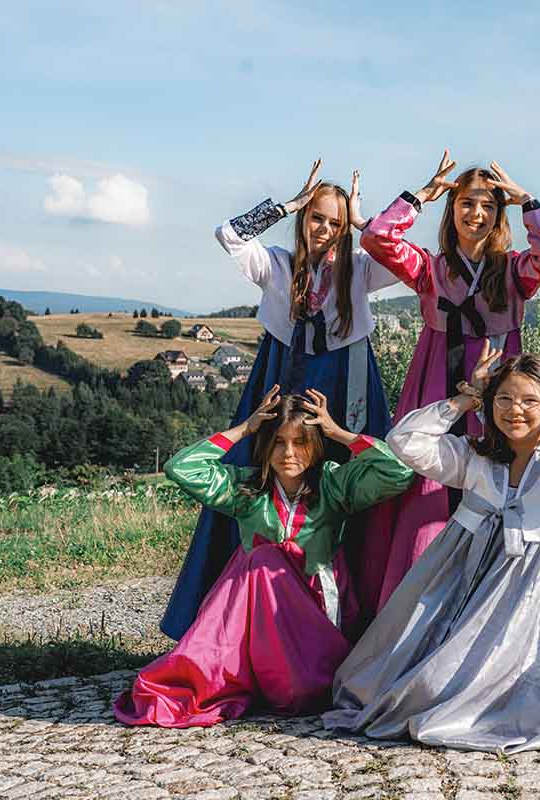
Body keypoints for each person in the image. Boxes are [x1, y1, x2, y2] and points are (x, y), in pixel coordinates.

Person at [324, 345, 540, 753]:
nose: (515, 410)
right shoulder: (473, 454)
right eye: (504, 398)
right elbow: (404, 440)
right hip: (465, 585)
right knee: (426, 683)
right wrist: (465, 400)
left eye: (530, 401)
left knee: (503, 686)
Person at [160, 160, 400, 640]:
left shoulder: (361, 269)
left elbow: (403, 258)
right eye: (317, 218)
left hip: (347, 382)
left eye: (334, 223)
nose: (324, 229)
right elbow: (229, 235)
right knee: (259, 473)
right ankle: (244, 617)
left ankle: (356, 621)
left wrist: (362, 222)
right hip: (279, 377)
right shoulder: (277, 264)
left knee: (354, 483)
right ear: (303, 219)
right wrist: (287, 204)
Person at [115, 387, 413, 727]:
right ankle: (225, 674)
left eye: (300, 442)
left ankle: (287, 677)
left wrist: (338, 433)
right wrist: (245, 428)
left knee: (301, 693)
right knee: (262, 559)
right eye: (278, 442)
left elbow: (397, 471)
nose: (289, 453)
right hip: (256, 616)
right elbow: (181, 467)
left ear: (316, 445)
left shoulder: (333, 486)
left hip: (316, 613)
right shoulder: (247, 491)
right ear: (265, 445)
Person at [357, 153, 540, 615]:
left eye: (489, 205)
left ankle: (491, 599)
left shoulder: (515, 270)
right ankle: (417, 603)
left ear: (499, 215)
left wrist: (527, 202)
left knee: (497, 476)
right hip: (439, 380)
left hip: (499, 385)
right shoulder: (429, 268)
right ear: (451, 210)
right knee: (428, 485)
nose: (477, 213)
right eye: (467, 203)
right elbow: (376, 238)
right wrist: (419, 197)